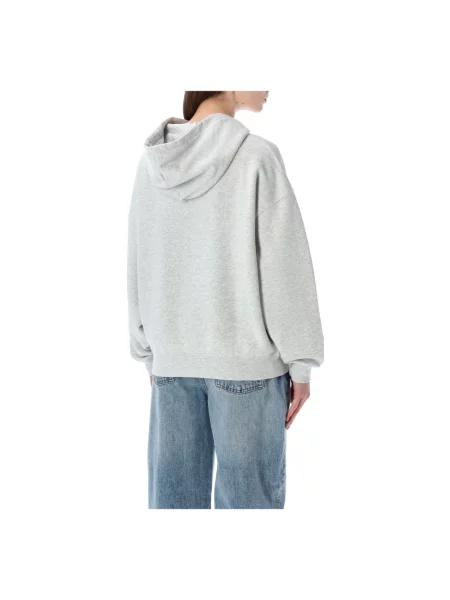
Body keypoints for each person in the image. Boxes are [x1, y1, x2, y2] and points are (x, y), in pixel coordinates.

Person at [127, 91, 324, 509]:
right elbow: (284, 267)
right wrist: (301, 362)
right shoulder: (256, 157)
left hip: (171, 367)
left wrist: (148, 352)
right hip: (247, 367)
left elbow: (139, 263)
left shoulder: (153, 165)